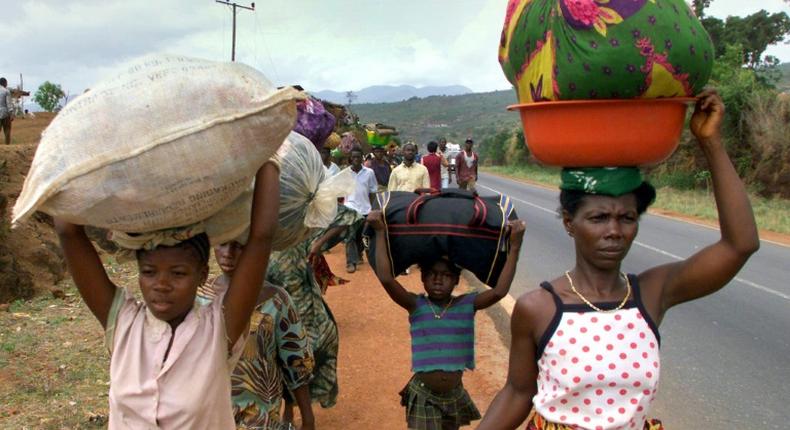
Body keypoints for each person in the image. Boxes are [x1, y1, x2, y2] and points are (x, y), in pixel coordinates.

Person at [477, 90, 760, 430]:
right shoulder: (538, 307)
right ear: (570, 222)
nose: (614, 231)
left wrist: (711, 142)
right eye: (598, 218)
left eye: (626, 218)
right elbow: (518, 392)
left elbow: (739, 245)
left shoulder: (652, 294)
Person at [53, 162, 281, 429]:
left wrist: (268, 158)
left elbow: (261, 238)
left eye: (178, 273)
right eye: (149, 272)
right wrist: (73, 157)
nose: (161, 284)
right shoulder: (124, 324)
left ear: (202, 275)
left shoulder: (219, 329)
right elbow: (68, 232)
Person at [368, 210, 526, 430]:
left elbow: (499, 292)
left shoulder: (467, 304)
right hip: (424, 394)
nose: (438, 280)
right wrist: (380, 232)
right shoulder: (416, 305)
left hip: (454, 395)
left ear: (456, 280)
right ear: (423, 278)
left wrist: (515, 247)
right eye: (432, 274)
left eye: (446, 275)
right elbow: (386, 278)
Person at [197, 240, 316, 430]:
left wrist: (308, 419)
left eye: (239, 246)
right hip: (209, 418)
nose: (228, 253)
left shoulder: (276, 300)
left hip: (261, 418)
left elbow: (297, 364)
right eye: (222, 244)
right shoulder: (199, 297)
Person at [343, 147, 378, 273]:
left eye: (359, 157)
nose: (356, 159)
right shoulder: (345, 173)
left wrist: (374, 208)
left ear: (362, 158)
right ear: (350, 158)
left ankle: (358, 253)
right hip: (350, 209)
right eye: (354, 157)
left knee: (362, 236)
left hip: (365, 208)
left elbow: (373, 191)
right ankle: (350, 262)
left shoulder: (369, 173)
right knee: (350, 236)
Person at [0, 77, 13, 145]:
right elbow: (9, 104)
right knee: (7, 131)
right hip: (5, 114)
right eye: (6, 83)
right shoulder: (6, 91)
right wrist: (11, 114)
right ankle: (7, 147)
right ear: (4, 83)